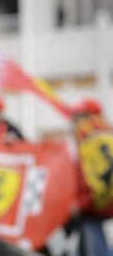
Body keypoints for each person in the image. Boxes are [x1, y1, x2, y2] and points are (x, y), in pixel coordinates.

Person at [70, 98, 113, 256]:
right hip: (96, 205)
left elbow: (97, 180)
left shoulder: (91, 138)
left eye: (78, 116)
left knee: (95, 250)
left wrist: (81, 203)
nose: (74, 121)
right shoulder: (104, 135)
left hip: (92, 206)